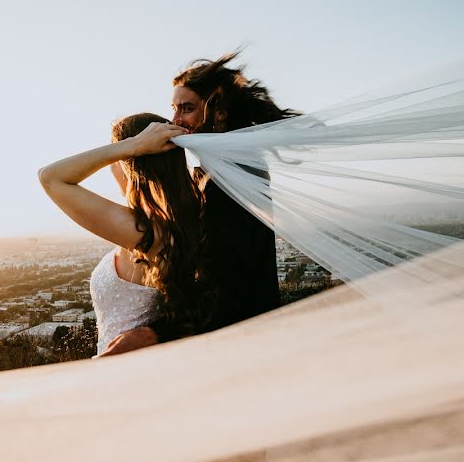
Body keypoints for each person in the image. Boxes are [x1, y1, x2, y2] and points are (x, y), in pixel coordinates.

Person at [101, 51, 300, 355]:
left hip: (242, 344)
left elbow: (229, 290)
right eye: (173, 108)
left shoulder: (227, 182)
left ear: (219, 112)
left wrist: (154, 333)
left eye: (187, 109)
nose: (176, 120)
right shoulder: (221, 171)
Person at [38, 114, 212, 355]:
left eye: (117, 156)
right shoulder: (168, 226)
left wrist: (130, 146)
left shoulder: (148, 232)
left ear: (131, 161)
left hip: (125, 368)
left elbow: (50, 177)